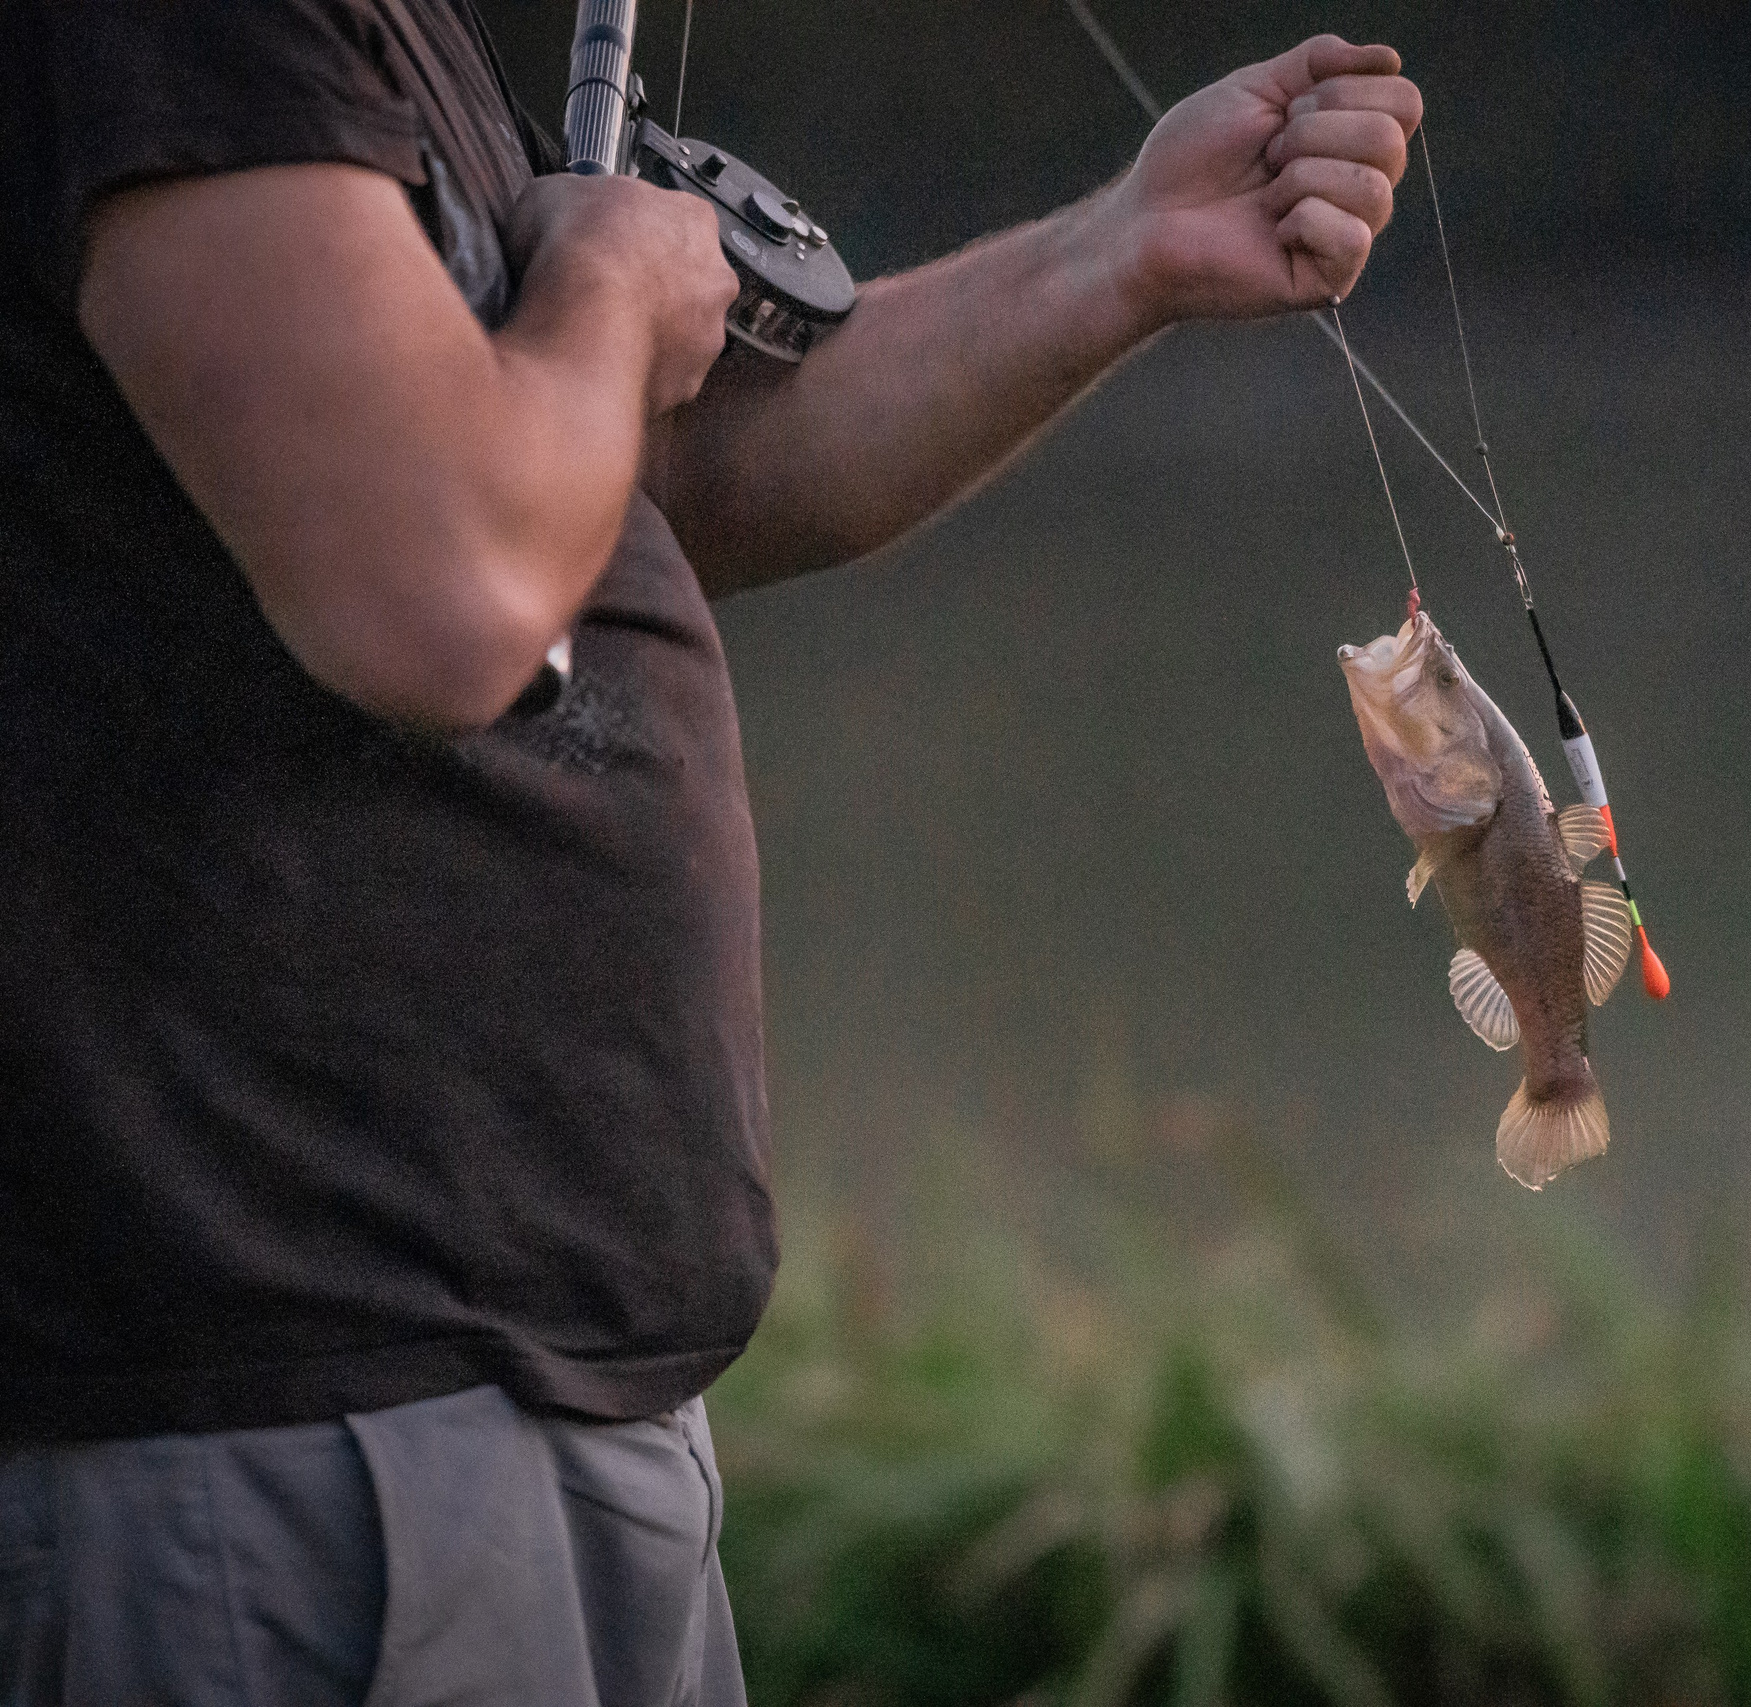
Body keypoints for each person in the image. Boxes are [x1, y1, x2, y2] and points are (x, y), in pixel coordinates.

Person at [0, 0, 1419, 1698]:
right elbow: (446, 585)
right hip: (312, 1445)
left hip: (505, 1416)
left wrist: (1124, 251)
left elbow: (616, 481)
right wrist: (610, 289)